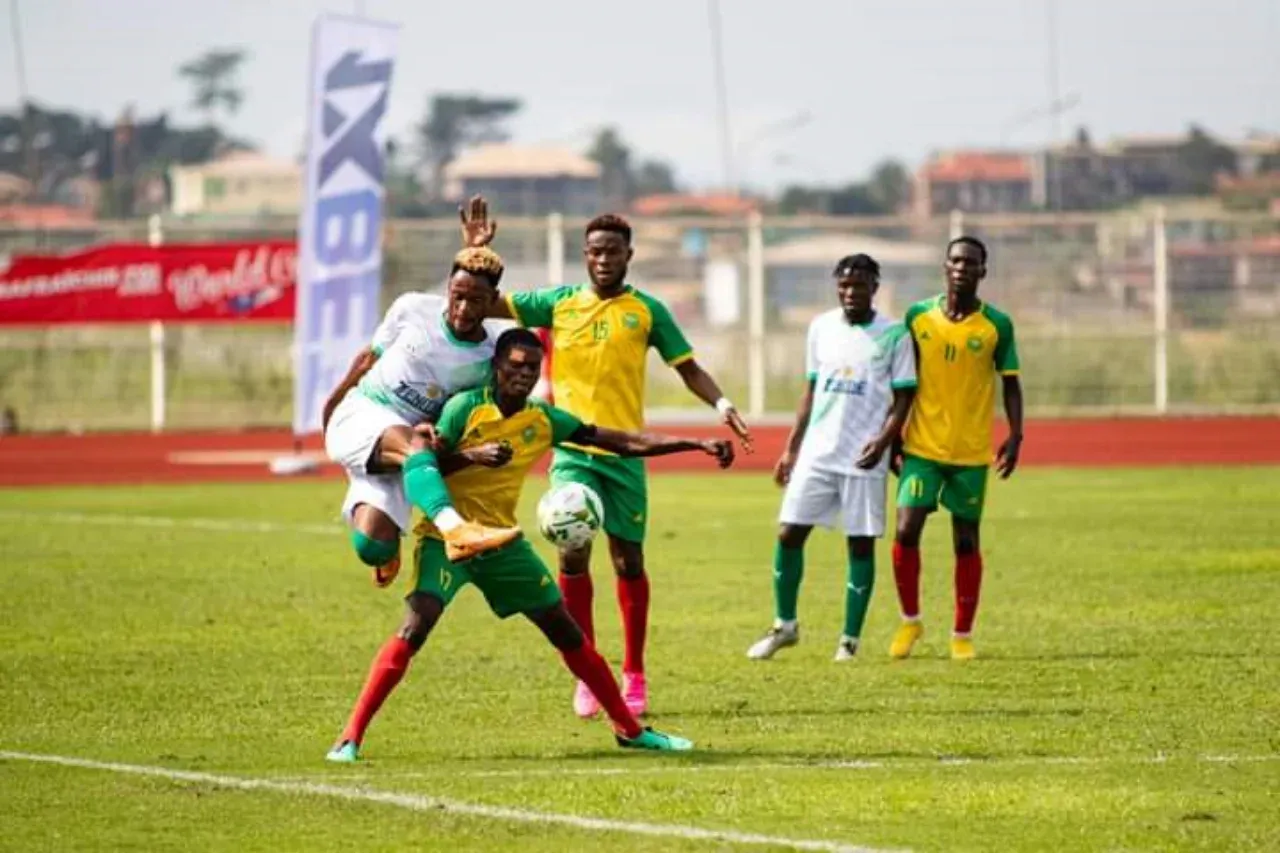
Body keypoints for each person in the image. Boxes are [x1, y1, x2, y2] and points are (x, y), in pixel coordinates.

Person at [325, 328, 734, 762]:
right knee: (414, 627)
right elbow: (422, 464)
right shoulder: (464, 408)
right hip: (446, 539)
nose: (523, 374)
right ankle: (349, 738)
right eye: (515, 365)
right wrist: (472, 455)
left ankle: (629, 730)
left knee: (566, 632)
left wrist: (694, 443)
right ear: (496, 366)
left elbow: (619, 440)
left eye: (532, 368)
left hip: (503, 544)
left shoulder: (541, 419)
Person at [460, 197, 752, 718]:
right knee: (571, 552)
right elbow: (485, 302)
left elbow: (688, 368)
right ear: (585, 254)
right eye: (595, 251)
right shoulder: (559, 302)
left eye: (613, 251)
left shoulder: (648, 311)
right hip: (574, 451)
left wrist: (723, 404)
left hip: (624, 454)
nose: (603, 259)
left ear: (628, 255)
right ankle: (588, 671)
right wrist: (476, 254)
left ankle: (634, 672)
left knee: (628, 561)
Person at [746, 254, 916, 662]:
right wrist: (792, 448)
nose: (850, 292)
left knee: (859, 544)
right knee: (789, 533)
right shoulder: (821, 327)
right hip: (818, 453)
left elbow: (904, 397)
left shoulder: (895, 335)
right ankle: (784, 626)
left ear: (874, 287)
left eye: (859, 285)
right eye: (844, 286)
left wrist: (883, 442)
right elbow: (810, 391)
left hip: (863, 457)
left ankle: (849, 641)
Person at [321, 246, 522, 588]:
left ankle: (388, 548)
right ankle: (457, 532)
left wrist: (440, 432)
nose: (463, 308)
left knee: (372, 546)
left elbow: (460, 410)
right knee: (413, 445)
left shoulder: (490, 354)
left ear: (493, 300)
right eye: (457, 296)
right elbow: (368, 359)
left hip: (408, 444)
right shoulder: (412, 308)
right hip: (362, 412)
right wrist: (332, 404)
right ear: (448, 287)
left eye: (476, 300)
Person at [888, 236, 1024, 661]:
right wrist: (891, 432)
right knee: (905, 529)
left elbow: (1011, 383)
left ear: (983, 271)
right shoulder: (917, 317)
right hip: (921, 448)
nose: (962, 268)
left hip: (970, 454)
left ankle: (962, 634)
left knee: (966, 541)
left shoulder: (997, 325)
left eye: (970, 263)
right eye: (956, 261)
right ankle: (910, 621)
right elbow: (901, 381)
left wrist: (1016, 435)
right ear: (945, 267)